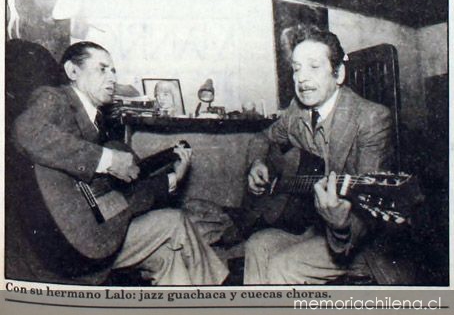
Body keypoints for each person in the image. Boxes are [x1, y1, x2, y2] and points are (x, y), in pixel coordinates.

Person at [13, 41, 228, 285]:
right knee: (175, 221)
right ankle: (222, 292)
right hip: (66, 244)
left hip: (93, 239)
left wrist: (172, 179)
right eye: (102, 69)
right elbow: (28, 132)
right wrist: (108, 160)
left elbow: (121, 197)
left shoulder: (100, 124)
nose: (112, 77)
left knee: (169, 255)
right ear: (73, 71)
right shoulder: (56, 99)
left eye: (114, 71)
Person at [243, 26, 394, 284]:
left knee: (283, 266)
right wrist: (257, 162)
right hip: (316, 227)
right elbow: (262, 138)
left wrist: (339, 224)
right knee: (257, 245)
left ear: (339, 74)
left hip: (360, 240)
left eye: (313, 66)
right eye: (296, 68)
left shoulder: (370, 118)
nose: (301, 78)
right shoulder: (297, 111)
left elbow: (368, 210)